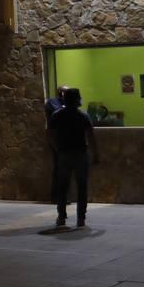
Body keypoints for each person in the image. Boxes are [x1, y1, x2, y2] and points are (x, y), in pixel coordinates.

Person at [48, 87, 98, 228]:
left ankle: (61, 217)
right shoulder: (83, 116)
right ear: (78, 100)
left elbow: (50, 135)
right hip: (80, 154)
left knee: (62, 187)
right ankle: (81, 218)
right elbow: (91, 136)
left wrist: (57, 150)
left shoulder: (57, 115)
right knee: (82, 187)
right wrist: (96, 154)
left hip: (64, 154)